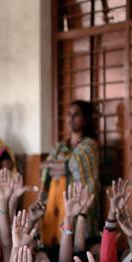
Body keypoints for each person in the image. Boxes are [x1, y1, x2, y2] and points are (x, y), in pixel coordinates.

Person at [40, 100, 101, 244]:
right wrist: (63, 167)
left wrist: (58, 167)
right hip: (56, 205)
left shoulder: (89, 146)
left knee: (76, 247)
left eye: (76, 114)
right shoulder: (61, 146)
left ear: (86, 119)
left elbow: (72, 166)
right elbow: (44, 166)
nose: (71, 118)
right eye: (69, 114)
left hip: (77, 205)